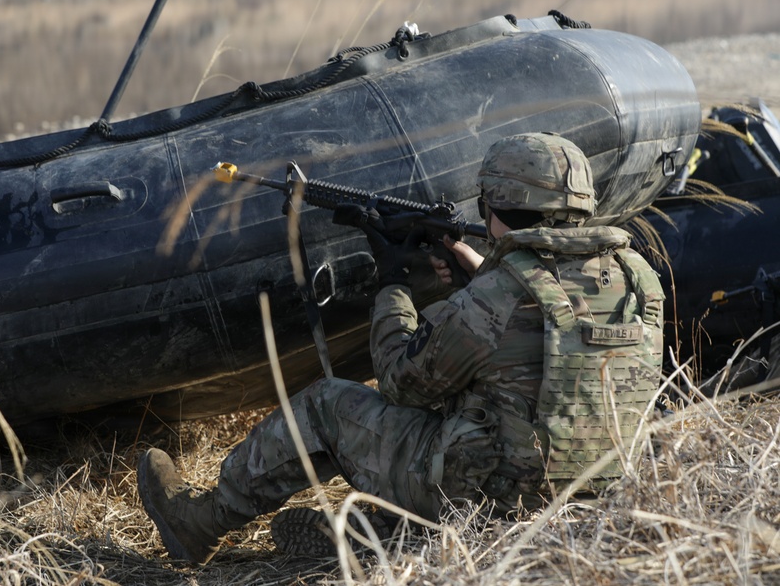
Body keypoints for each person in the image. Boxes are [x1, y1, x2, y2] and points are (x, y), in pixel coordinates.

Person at [137, 132, 665, 564]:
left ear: (493, 204)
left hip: (490, 503)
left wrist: (393, 284)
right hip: (589, 502)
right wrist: (476, 278)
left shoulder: (493, 300)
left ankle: (199, 522)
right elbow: (544, 342)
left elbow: (399, 381)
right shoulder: (639, 279)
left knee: (326, 403)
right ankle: (382, 534)